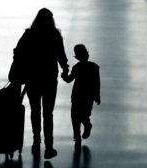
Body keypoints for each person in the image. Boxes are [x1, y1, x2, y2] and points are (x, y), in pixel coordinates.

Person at [10, 8, 69, 159]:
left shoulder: (29, 34)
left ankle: (36, 140)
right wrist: (65, 69)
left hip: (32, 77)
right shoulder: (55, 35)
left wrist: (21, 68)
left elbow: (17, 52)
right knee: (48, 113)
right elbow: (61, 54)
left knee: (35, 110)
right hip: (49, 77)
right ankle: (49, 147)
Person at [61, 44, 101, 151]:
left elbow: (69, 80)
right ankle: (85, 127)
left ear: (77, 57)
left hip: (77, 95)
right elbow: (97, 83)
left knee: (75, 117)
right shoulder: (94, 67)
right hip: (88, 96)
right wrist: (97, 95)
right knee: (83, 115)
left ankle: (78, 137)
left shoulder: (77, 67)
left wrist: (64, 75)